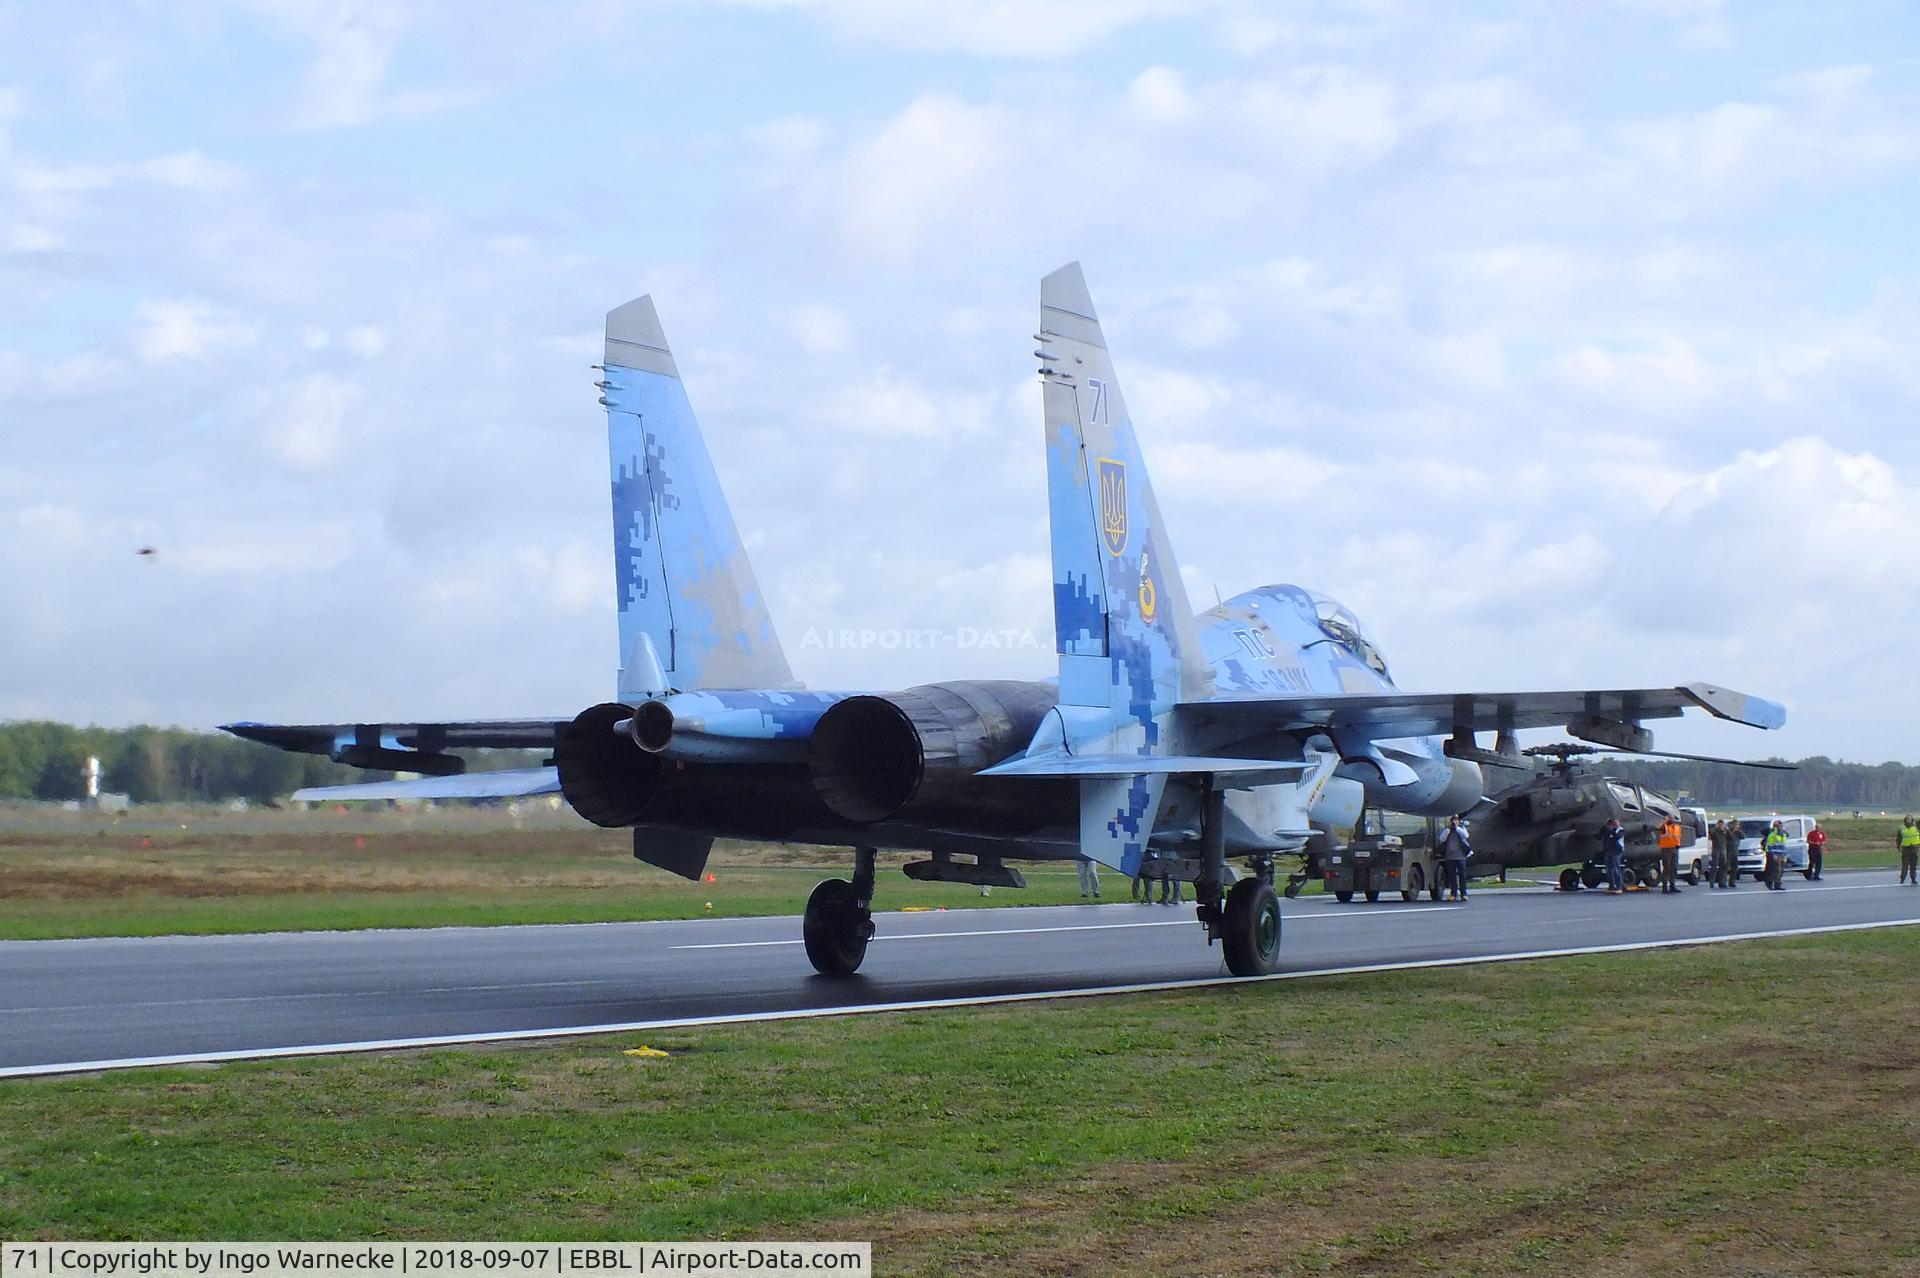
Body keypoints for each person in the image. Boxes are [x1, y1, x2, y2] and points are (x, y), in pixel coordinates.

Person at [1436, 815, 1472, 901]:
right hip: (1450, 856)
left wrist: (1457, 827)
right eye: (1453, 820)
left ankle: (1464, 894)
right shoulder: (1447, 830)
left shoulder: (1461, 829)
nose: (1454, 822)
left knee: (1462, 875)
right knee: (1452, 876)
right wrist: (1448, 830)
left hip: (1461, 856)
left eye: (1456, 820)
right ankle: (1453, 894)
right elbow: (1442, 839)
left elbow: (1466, 836)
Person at [1658, 815, 1683, 894]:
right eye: (1670, 818)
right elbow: (1658, 828)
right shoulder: (1664, 826)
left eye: (1672, 818)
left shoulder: (1677, 827)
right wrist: (1664, 821)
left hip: (1675, 848)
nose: (1672, 820)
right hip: (1666, 849)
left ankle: (1672, 885)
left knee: (1674, 867)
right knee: (1667, 867)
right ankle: (1664, 887)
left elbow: (1677, 837)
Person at [1601, 818, 1627, 894]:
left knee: (1616, 868)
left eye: (1615, 823)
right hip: (1609, 851)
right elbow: (1604, 839)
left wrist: (1611, 831)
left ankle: (1619, 886)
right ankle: (1611, 886)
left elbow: (1617, 837)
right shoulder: (1608, 832)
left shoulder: (1620, 830)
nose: (1613, 824)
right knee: (1609, 869)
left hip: (1617, 851)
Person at [1763, 819, 1788, 890]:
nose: (1781, 827)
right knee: (1776, 870)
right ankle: (1771, 883)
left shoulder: (1783, 834)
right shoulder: (1772, 835)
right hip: (1776, 854)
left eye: (1781, 826)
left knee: (1781, 870)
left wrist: (1784, 855)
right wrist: (1773, 855)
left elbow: (1783, 844)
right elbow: (1770, 845)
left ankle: (1778, 885)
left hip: (1782, 854)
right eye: (1779, 826)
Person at [1899, 817, 1920, 885]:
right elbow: (1899, 838)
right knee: (1905, 864)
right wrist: (1898, 846)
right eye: (1907, 819)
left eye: (1910, 819)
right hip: (1905, 848)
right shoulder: (1902, 828)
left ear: (1912, 820)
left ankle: (1913, 879)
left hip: (1914, 848)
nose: (1908, 820)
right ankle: (1902, 878)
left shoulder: (1916, 826)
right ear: (1905, 820)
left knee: (1913, 864)